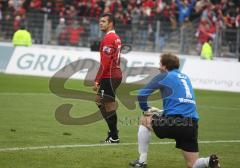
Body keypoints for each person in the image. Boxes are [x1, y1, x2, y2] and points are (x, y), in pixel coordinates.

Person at [130, 53, 220, 168]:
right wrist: (163, 111)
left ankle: (142, 161)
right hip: (191, 124)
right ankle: (209, 161)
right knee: (192, 164)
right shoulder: (185, 77)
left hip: (175, 122)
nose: (159, 67)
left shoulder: (163, 76)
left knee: (144, 120)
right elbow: (181, 103)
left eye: (160, 64)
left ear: (165, 66)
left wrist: (146, 109)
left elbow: (142, 94)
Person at [93, 13, 122, 143]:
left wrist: (97, 79)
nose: (100, 23)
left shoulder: (109, 38)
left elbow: (105, 61)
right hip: (113, 74)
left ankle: (114, 136)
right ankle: (113, 131)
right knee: (99, 100)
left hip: (109, 75)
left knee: (108, 105)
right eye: (100, 21)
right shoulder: (115, 37)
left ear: (110, 23)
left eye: (103, 21)